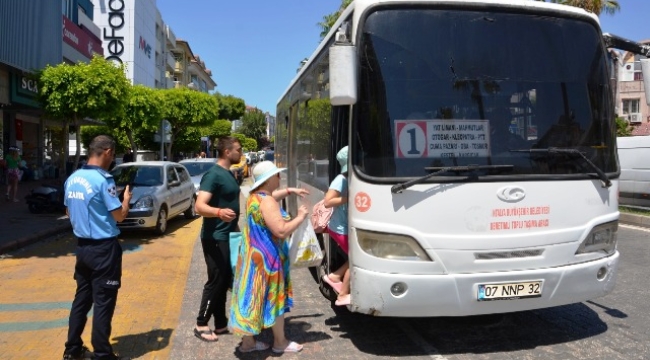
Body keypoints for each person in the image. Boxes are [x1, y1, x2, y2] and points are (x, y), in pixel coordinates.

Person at [62, 135, 132, 360]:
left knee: (81, 299)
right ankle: (102, 354)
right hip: (103, 249)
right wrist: (126, 200)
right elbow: (119, 216)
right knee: (103, 302)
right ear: (108, 152)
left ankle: (72, 350)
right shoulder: (104, 180)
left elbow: (68, 212)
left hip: (82, 248)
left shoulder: (73, 178)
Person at [229, 161, 309, 353]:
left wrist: (290, 190)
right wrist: (300, 216)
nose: (279, 178)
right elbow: (281, 230)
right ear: (269, 179)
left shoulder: (254, 198)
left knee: (250, 297)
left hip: (251, 258)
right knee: (275, 299)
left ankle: (248, 343)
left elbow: (271, 198)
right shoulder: (268, 202)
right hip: (268, 262)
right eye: (276, 175)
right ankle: (280, 343)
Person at [192, 136, 243, 342]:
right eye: (238, 150)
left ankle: (220, 323)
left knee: (224, 280)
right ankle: (201, 323)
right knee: (216, 279)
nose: (241, 153)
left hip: (228, 235)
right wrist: (219, 212)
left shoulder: (228, 173)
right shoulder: (213, 175)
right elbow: (199, 206)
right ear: (227, 152)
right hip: (215, 236)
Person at [320, 146, 351, 306]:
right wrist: (349, 198)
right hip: (340, 228)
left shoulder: (349, 178)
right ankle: (343, 294)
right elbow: (328, 201)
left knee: (355, 258)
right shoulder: (341, 179)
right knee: (358, 260)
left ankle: (335, 277)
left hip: (343, 227)